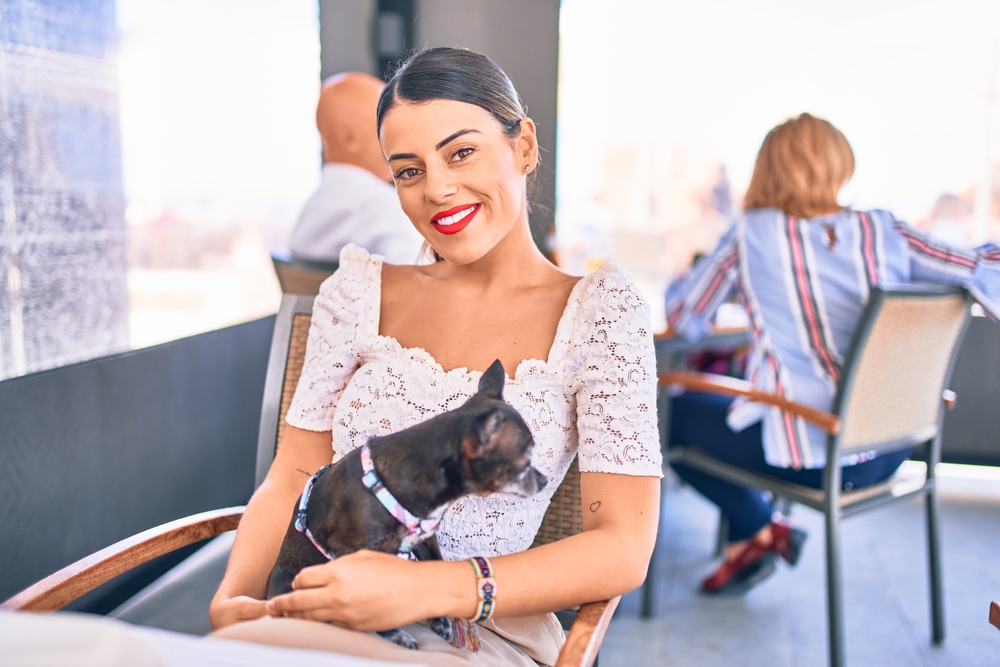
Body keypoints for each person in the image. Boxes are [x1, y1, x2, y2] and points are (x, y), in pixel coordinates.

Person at [209, 48, 662, 666]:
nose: (438, 188)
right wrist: (233, 602)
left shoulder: (600, 313)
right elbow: (293, 475)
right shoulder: (356, 294)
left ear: (523, 146)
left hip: (474, 633)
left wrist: (420, 588)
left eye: (462, 152)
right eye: (409, 170)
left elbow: (622, 547)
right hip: (314, 609)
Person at [663, 113, 1000, 595]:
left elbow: (684, 317)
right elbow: (982, 267)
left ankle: (760, 526)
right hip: (892, 446)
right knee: (736, 414)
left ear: (768, 170)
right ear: (840, 164)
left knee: (668, 414)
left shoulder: (751, 232)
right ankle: (749, 541)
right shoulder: (884, 230)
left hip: (820, 456)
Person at [289, 72, 424, 265]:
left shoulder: (310, 211)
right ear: (350, 139)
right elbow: (417, 282)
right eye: (388, 128)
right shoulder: (384, 206)